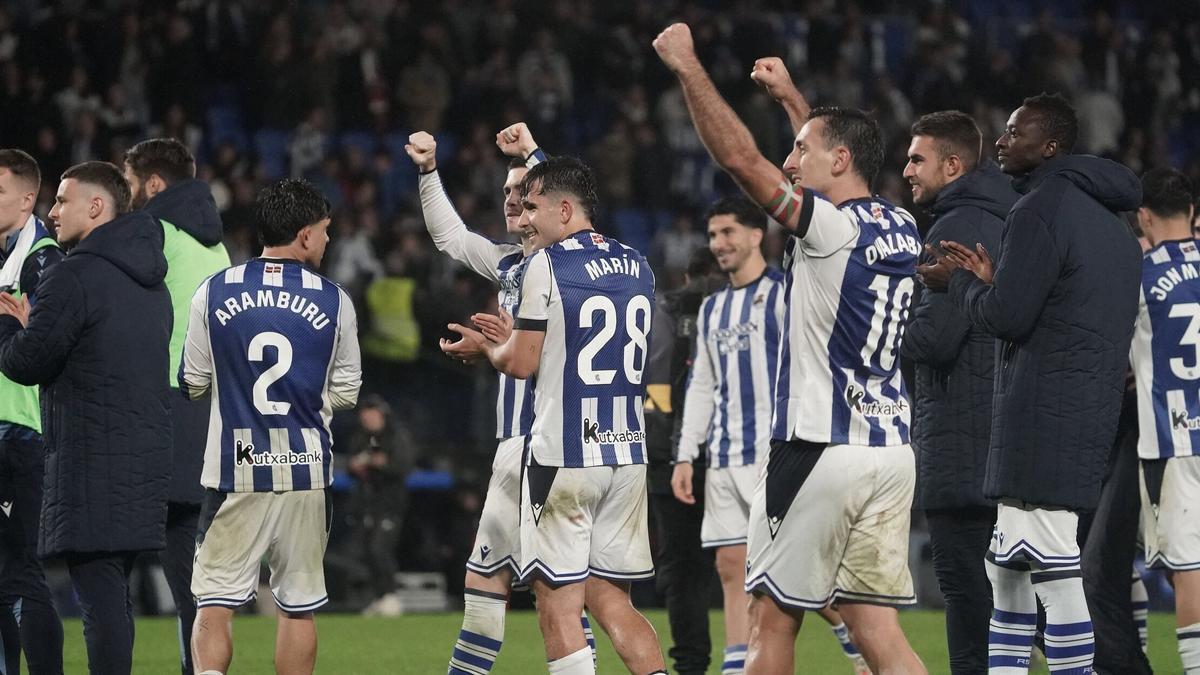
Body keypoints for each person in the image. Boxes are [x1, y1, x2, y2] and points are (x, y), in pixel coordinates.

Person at [654, 27, 925, 674]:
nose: (789, 158)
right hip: (889, 452)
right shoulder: (902, 224)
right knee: (878, 633)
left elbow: (743, 163)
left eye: (800, 150)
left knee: (769, 616)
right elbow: (840, 158)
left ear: (835, 162)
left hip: (817, 448)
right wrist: (791, 101)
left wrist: (688, 67)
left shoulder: (828, 230)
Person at [920, 93, 1142, 673]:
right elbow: (1060, 308)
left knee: (1052, 568)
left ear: (1048, 146)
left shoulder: (1042, 208)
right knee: (1008, 568)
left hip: (1042, 415)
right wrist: (998, 281)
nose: (999, 142)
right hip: (1082, 412)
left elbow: (1005, 320)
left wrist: (961, 284)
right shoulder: (1112, 223)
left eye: (1013, 133)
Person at [445, 157, 666, 675]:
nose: (525, 219)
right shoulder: (638, 263)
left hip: (564, 453)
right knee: (614, 603)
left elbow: (520, 363)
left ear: (565, 210)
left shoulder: (547, 264)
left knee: (557, 606)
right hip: (627, 455)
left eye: (534, 208)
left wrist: (487, 349)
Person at [405, 123, 600, 674]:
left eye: (527, 195)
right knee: (503, 583)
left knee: (557, 592)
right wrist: (428, 171)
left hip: (551, 445)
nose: (515, 203)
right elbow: (450, 237)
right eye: (509, 195)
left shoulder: (566, 264)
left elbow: (572, 198)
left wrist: (534, 153)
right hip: (517, 447)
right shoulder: (513, 264)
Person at [671, 197, 868, 675]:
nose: (718, 244)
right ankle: (737, 666)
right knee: (731, 569)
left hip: (776, 457)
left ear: (757, 235)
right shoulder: (714, 307)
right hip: (723, 457)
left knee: (794, 574)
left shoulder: (786, 294)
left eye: (728, 233)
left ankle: (855, 641)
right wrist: (684, 455)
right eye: (713, 235)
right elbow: (703, 384)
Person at [179, 178, 361, 674]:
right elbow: (347, 392)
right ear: (304, 235)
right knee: (297, 605)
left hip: (235, 473)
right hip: (304, 473)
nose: (327, 240)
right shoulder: (334, 300)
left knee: (214, 603)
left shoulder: (214, 291)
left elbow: (193, 382)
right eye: (324, 231)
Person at [0, 160, 172, 674]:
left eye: (62, 200)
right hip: (142, 459)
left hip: (90, 458)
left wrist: (10, 327)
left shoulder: (72, 276)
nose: (52, 211)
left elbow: (25, 364)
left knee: (98, 599)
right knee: (114, 596)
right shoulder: (153, 283)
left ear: (95, 207)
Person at [899, 111, 1015, 673]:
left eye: (917, 159)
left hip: (960, 444)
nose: (907, 170)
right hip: (997, 436)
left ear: (953, 164)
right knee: (1009, 606)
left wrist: (883, 324)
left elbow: (936, 337)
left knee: (968, 604)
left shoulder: (956, 225)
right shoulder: (1000, 216)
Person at [124, 136, 231, 675]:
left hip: (159, 406)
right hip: (209, 411)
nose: (125, 195)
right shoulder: (216, 244)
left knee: (107, 552)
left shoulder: (153, 231)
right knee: (191, 568)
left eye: (128, 184)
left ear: (155, 184)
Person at [1130, 167, 1200, 673]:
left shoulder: (1141, 274)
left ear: (1143, 217)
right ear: (1192, 214)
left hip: (1173, 444)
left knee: (1189, 567)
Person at [0, 149, 64, 675]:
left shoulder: (43, 256)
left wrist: (24, 325)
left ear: (26, 198)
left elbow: (46, 341)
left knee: (22, 572)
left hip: (20, 430)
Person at [645, 245, 721, 675]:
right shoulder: (741, 305)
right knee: (747, 566)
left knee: (682, 569)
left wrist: (663, 451)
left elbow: (653, 384)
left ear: (686, 275)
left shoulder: (664, 312)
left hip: (669, 459)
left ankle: (691, 666)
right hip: (731, 454)